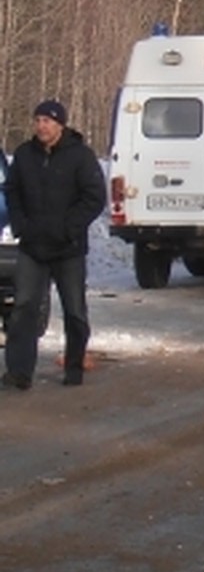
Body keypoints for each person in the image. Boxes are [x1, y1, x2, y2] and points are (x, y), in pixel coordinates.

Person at [3, 100, 106, 390]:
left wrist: (69, 228)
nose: (41, 126)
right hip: (33, 248)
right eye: (37, 121)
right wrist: (21, 223)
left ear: (60, 124)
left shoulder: (80, 156)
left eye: (47, 121)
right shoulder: (24, 155)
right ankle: (19, 372)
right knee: (24, 307)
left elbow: (94, 197)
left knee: (74, 310)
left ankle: (74, 367)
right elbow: (11, 191)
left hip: (67, 248)